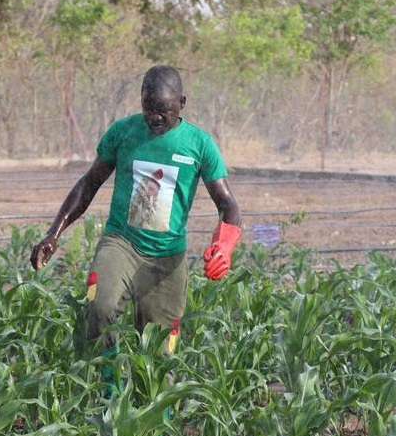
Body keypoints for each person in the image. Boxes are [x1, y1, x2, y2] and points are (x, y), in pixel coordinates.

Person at [30, 64, 242, 368]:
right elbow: (89, 184)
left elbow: (227, 204)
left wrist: (225, 246)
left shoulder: (199, 144)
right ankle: (108, 387)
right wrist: (54, 233)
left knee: (159, 354)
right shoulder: (124, 133)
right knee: (100, 308)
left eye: (163, 111)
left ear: (182, 103)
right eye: (148, 109)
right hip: (122, 244)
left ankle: (150, 397)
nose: (155, 117)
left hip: (167, 256)